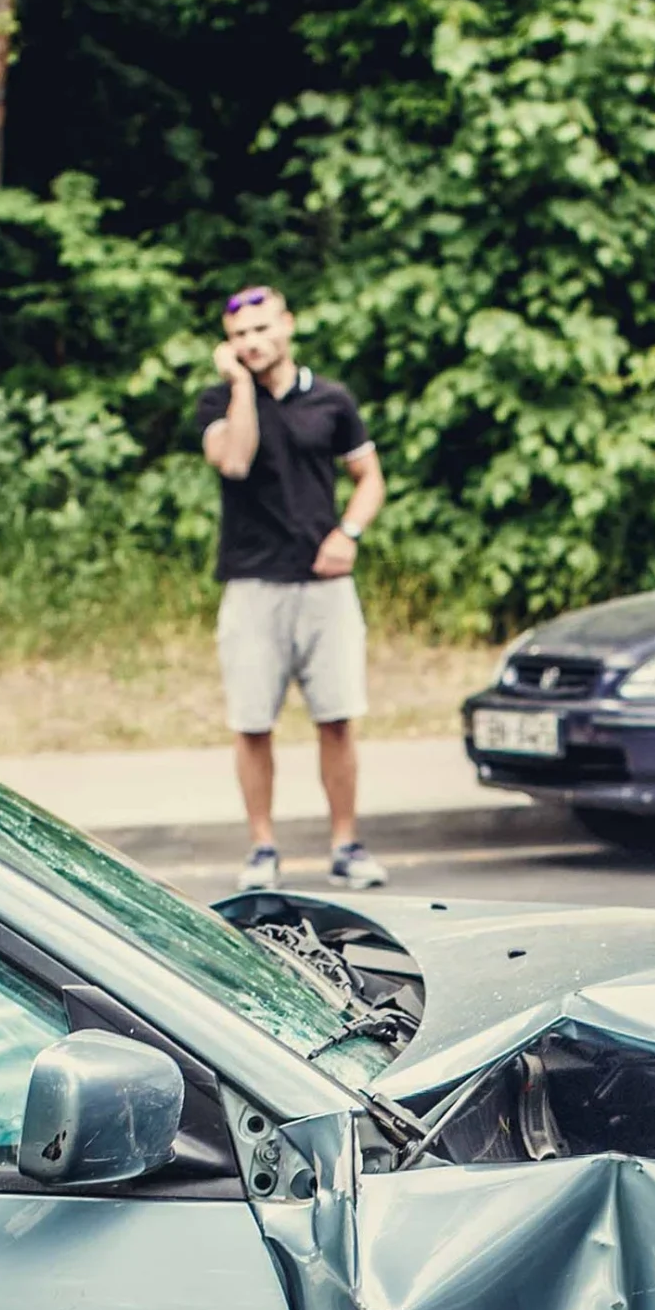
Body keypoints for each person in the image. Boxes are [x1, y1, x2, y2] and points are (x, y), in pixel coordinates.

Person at [197, 284, 388, 891]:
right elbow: (235, 461)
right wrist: (241, 389)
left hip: (325, 587)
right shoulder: (218, 402)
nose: (252, 343)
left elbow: (369, 478)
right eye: (239, 336)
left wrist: (349, 532)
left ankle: (346, 845)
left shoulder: (332, 400)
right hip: (253, 586)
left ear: (288, 326)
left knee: (337, 718)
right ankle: (262, 850)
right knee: (252, 723)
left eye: (261, 330)